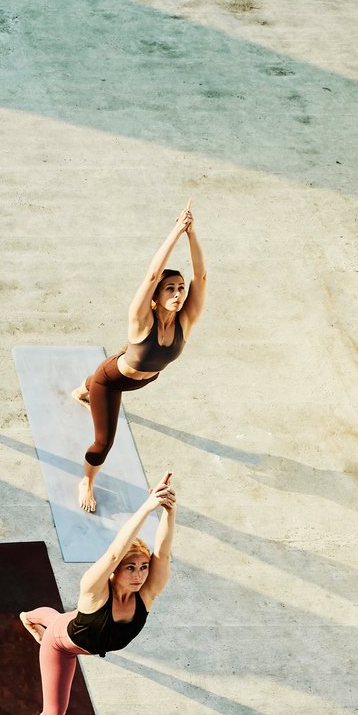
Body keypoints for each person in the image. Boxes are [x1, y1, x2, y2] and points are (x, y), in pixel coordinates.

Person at [19, 474, 177, 715]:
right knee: (54, 714)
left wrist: (169, 511)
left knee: (60, 618)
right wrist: (146, 509)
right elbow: (115, 549)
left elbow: (162, 552)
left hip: (78, 629)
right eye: (131, 568)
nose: (139, 575)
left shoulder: (145, 596)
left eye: (143, 567)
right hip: (63, 647)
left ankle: (29, 617)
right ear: (116, 569)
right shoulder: (94, 590)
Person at [71, 204, 207, 513]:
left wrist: (193, 233)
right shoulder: (141, 320)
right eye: (170, 289)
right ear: (157, 296)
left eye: (181, 289)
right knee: (103, 442)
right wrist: (176, 231)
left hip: (142, 380)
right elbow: (152, 274)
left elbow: (201, 275)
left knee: (91, 388)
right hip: (112, 380)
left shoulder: (185, 322)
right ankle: (87, 481)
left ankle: (83, 389)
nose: (178, 293)